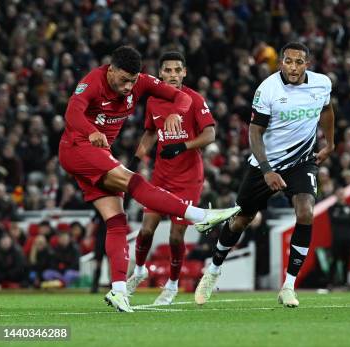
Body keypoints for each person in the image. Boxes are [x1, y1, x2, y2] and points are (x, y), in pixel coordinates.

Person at [58, 46, 240, 312]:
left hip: (98, 154)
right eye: (123, 80)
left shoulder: (141, 83)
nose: (129, 86)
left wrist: (177, 111)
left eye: (133, 80)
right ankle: (200, 216)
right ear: (111, 71)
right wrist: (91, 130)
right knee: (135, 182)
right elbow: (72, 113)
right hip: (78, 148)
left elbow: (181, 98)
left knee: (117, 221)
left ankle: (119, 290)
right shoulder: (91, 83)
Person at [195, 42, 335, 308]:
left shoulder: (322, 84)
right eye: (288, 61)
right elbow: (255, 132)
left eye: (299, 62)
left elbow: (327, 110)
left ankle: (288, 286)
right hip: (265, 163)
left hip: (301, 162)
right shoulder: (268, 89)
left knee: (305, 211)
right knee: (242, 219)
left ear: (308, 63)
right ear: (281, 62)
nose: (293, 67)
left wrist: (330, 143)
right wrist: (268, 169)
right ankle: (212, 271)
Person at [125, 52, 216, 305]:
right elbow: (150, 133)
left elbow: (210, 135)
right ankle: (140, 270)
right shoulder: (154, 100)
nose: (173, 75)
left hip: (188, 178)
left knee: (176, 237)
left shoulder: (194, 100)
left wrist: (183, 146)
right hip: (161, 177)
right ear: (160, 73)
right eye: (168, 70)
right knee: (145, 231)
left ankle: (172, 285)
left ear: (185, 72)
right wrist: (135, 160)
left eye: (178, 70)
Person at [328, 187, 350, 289]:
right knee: (334, 261)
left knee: (346, 261)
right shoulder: (332, 208)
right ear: (336, 195)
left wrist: (341, 218)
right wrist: (345, 218)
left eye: (342, 193)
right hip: (337, 238)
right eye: (339, 193)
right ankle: (330, 283)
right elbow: (334, 220)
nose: (341, 195)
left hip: (348, 239)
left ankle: (345, 283)